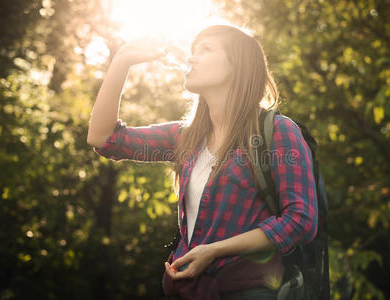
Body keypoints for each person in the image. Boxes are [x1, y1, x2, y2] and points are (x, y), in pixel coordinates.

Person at [87, 25, 318, 300]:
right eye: (192, 52)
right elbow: (103, 139)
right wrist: (122, 60)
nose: (191, 58)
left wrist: (215, 250)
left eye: (205, 50)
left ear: (237, 66)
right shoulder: (186, 137)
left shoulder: (278, 131)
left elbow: (301, 221)